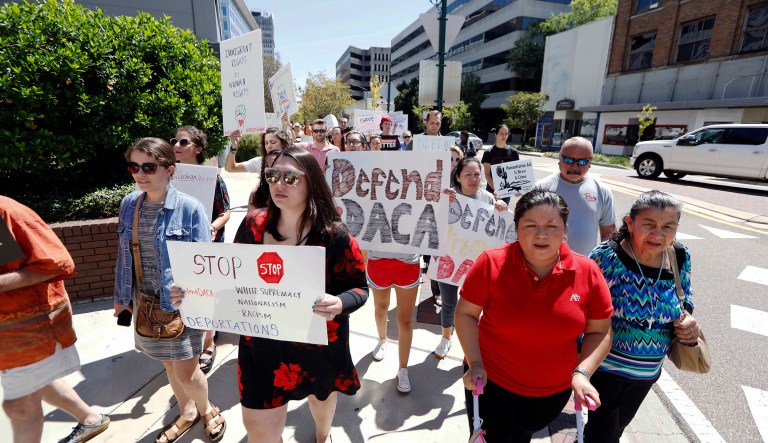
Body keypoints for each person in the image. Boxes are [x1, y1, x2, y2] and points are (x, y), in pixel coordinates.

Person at [221, 147, 368, 442]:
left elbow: (360, 289)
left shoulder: (334, 235)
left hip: (317, 345)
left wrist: (339, 302)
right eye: (273, 175)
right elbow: (227, 278)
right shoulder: (251, 226)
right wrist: (192, 293)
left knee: (321, 400)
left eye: (290, 177)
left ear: (311, 181)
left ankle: (322, 435)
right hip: (261, 345)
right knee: (260, 430)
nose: (279, 183)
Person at [456, 189, 613, 442]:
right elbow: (465, 313)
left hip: (552, 393)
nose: (541, 234)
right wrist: (474, 362)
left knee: (521, 436)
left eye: (552, 226)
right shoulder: (490, 263)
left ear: (564, 230)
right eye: (531, 225)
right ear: (516, 228)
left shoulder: (588, 271)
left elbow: (600, 330)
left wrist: (583, 373)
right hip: (490, 382)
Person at [114, 138, 226, 443]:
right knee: (168, 365)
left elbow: (207, 263)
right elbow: (124, 257)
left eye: (149, 166)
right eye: (134, 166)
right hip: (145, 302)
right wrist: (122, 300)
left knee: (187, 372)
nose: (140, 173)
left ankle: (206, 409)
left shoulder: (190, 209)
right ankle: (187, 413)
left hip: (181, 303)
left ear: (169, 169)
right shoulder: (128, 205)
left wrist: (204, 311)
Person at [584, 191, 701, 443]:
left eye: (668, 226)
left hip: (647, 370)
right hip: (605, 366)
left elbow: (685, 296)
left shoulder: (679, 256)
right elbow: (582, 305)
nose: (658, 234)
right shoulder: (607, 257)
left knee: (617, 427)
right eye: (649, 224)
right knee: (602, 433)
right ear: (630, 223)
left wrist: (687, 318)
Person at [0, 196, 111, 443]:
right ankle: (90, 419)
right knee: (39, 382)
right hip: (10, 339)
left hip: (27, 333)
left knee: (19, 407)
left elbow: (56, 263)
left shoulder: (7, 212)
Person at [172, 126, 231, 375]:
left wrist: (213, 227)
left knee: (205, 293)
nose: (176, 145)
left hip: (206, 245)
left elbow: (225, 211)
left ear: (198, 148)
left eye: (183, 142)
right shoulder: (167, 175)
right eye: (174, 140)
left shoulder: (212, 178)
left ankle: (208, 342)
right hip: (177, 246)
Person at [434, 158, 507, 359]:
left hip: (477, 263)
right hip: (450, 259)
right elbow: (432, 223)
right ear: (458, 177)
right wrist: (441, 204)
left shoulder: (488, 199)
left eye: (477, 174)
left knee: (478, 305)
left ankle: (475, 343)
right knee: (449, 302)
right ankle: (446, 338)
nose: (473, 179)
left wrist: (501, 206)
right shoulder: (448, 196)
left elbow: (500, 228)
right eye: (468, 174)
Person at [533, 136, 617, 256]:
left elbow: (608, 233)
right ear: (559, 158)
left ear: (590, 162)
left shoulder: (603, 191)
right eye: (569, 160)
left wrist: (608, 263)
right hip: (544, 266)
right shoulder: (541, 188)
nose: (575, 167)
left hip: (583, 268)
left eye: (582, 162)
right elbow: (526, 226)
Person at [481, 125, 519, 202]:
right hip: (492, 190)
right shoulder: (488, 152)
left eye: (506, 133)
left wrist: (517, 188)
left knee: (503, 212)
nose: (504, 136)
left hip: (507, 191)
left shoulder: (513, 152)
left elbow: (516, 173)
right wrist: (497, 189)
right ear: (496, 134)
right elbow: (487, 174)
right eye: (501, 133)